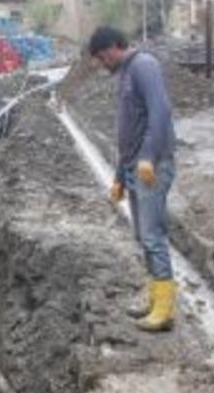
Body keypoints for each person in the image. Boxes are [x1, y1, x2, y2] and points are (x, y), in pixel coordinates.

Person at [88, 26, 178, 332]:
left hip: (151, 166)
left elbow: (160, 113)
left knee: (153, 237)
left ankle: (165, 310)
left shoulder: (144, 66)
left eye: (102, 57)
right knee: (143, 237)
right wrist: (119, 176)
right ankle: (155, 298)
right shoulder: (125, 73)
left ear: (115, 46)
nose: (101, 64)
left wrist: (149, 157)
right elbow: (130, 129)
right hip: (135, 167)